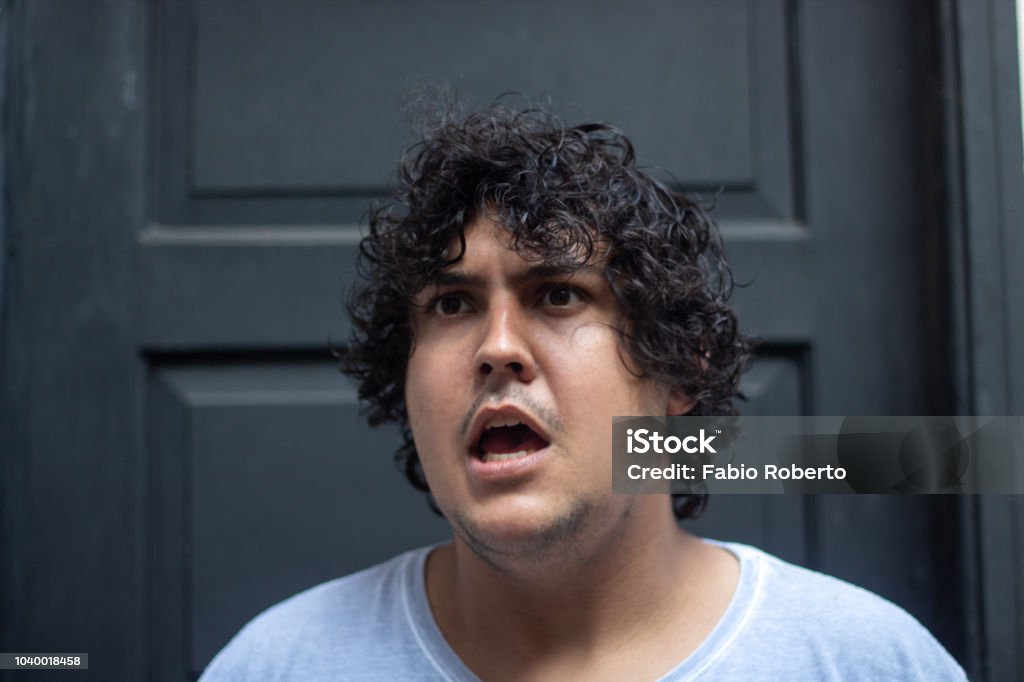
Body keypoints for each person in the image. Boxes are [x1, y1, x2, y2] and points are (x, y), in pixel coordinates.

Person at [200, 100, 966, 681]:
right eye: (453, 304)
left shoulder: (864, 662)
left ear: (680, 368)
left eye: (559, 295)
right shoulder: (277, 664)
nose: (497, 348)